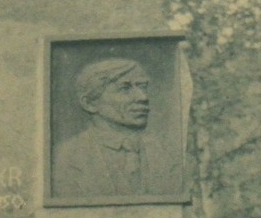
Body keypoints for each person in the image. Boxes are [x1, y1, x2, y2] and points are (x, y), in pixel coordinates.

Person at [52, 58, 178, 199]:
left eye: (142, 87)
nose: (143, 97)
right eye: (125, 88)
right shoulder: (66, 157)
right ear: (89, 103)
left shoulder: (165, 154)